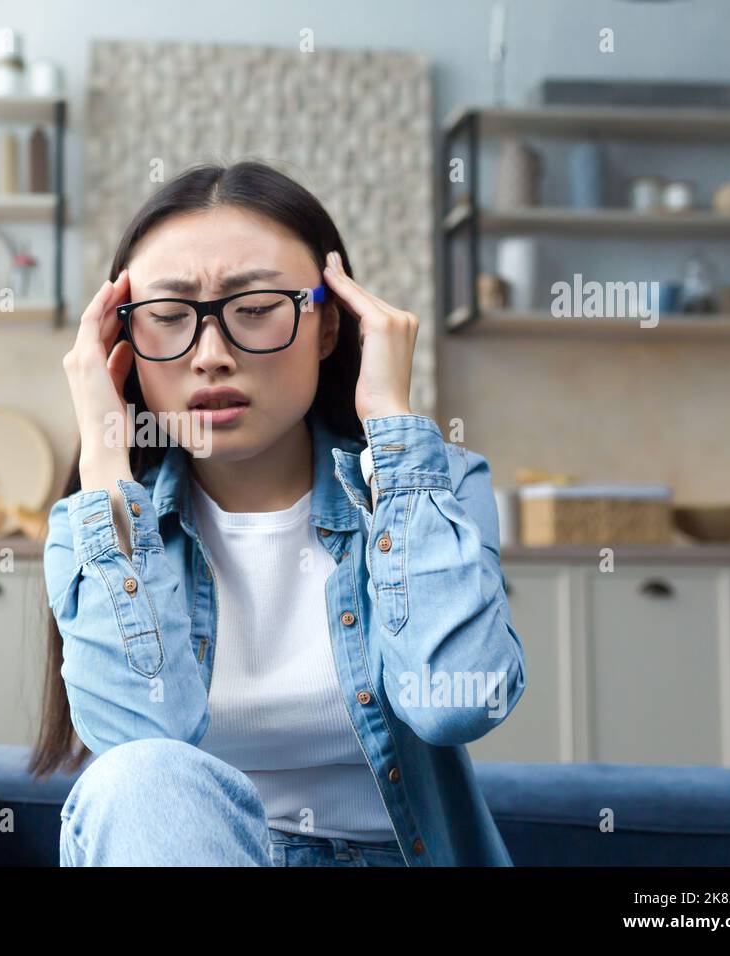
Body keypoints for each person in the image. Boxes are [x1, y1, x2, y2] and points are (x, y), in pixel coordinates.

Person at [30, 159, 525, 866]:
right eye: (167, 317)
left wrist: (390, 419)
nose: (210, 356)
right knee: (140, 776)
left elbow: (456, 703)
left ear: (329, 326)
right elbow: (139, 739)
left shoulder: (434, 486)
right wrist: (107, 462)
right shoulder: (90, 529)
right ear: (121, 343)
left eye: (257, 308)